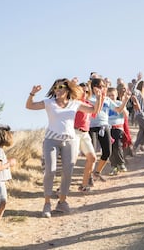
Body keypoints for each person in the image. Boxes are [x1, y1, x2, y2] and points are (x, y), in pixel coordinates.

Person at [26, 78, 102, 218]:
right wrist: (32, 94)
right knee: (50, 170)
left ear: (67, 90)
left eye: (61, 87)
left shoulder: (74, 103)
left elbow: (93, 110)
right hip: (51, 140)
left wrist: (98, 98)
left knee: (68, 171)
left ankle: (62, 202)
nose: (58, 89)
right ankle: (47, 203)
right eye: (55, 87)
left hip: (70, 141)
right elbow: (29, 106)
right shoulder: (49, 103)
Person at [74, 82, 97, 192]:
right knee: (71, 161)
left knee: (92, 158)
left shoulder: (87, 104)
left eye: (86, 91)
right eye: (82, 90)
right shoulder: (75, 103)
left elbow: (96, 111)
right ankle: (62, 187)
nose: (84, 93)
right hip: (75, 132)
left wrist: (100, 97)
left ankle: (84, 185)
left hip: (85, 133)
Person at [107, 87, 131, 175]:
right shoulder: (106, 104)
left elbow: (126, 114)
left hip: (117, 127)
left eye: (112, 95)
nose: (110, 97)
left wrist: (124, 104)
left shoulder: (119, 103)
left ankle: (121, 163)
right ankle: (114, 166)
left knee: (117, 145)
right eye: (109, 95)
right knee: (110, 148)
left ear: (116, 95)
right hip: (107, 128)